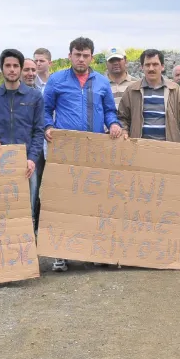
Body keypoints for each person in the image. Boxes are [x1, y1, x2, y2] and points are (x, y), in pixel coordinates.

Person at [43, 37, 123, 272]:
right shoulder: (57, 80)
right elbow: (46, 110)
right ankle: (61, 253)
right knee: (64, 202)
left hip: (94, 151)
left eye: (85, 55)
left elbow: (109, 110)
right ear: (70, 55)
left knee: (93, 201)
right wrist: (48, 127)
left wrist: (114, 124)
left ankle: (93, 251)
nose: (81, 59)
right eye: (77, 54)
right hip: (66, 151)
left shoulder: (101, 82)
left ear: (91, 57)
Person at [0, 48, 44, 228]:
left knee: (27, 209)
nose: (12, 69)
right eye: (8, 66)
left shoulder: (34, 97)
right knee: (0, 208)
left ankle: (27, 250)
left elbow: (39, 131)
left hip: (26, 162)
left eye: (15, 66)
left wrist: (32, 159)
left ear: (20, 69)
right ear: (2, 68)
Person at [117, 49, 180, 151]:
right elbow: (122, 118)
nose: (151, 68)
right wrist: (124, 131)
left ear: (162, 66)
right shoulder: (132, 90)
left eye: (155, 64)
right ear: (142, 67)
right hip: (139, 150)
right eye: (147, 65)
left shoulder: (175, 90)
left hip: (169, 150)